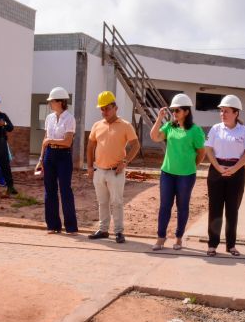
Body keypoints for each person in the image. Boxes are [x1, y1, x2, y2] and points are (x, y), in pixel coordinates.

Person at [150, 94, 206, 251]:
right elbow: (154, 137)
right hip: (167, 173)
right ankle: (160, 238)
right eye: (173, 110)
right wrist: (159, 118)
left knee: (182, 207)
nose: (174, 113)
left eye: (177, 110)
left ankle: (179, 238)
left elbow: (201, 152)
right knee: (164, 206)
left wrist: (191, 166)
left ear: (186, 111)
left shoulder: (195, 130)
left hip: (186, 176)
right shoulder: (169, 126)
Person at [86, 91, 141, 244]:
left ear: (115, 108)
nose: (104, 111)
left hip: (115, 172)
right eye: (102, 109)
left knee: (117, 202)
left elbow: (136, 145)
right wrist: (89, 166)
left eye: (107, 108)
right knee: (102, 202)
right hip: (99, 170)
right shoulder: (97, 125)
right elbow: (90, 147)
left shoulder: (125, 126)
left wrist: (125, 162)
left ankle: (118, 232)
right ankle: (103, 230)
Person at [204, 95, 245, 257]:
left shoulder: (244, 131)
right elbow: (208, 149)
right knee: (215, 208)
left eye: (226, 111)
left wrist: (235, 169)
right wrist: (218, 167)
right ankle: (212, 244)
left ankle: (231, 245)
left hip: (236, 172)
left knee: (232, 210)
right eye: (221, 111)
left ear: (236, 113)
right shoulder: (215, 129)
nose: (222, 114)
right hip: (216, 170)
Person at [35, 87, 78, 234]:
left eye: (51, 101)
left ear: (60, 102)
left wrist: (50, 141)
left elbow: (67, 142)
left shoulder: (70, 118)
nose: (49, 104)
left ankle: (71, 227)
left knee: (65, 190)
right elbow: (44, 140)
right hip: (49, 154)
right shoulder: (49, 118)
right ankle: (53, 225)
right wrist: (41, 159)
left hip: (63, 156)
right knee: (49, 190)